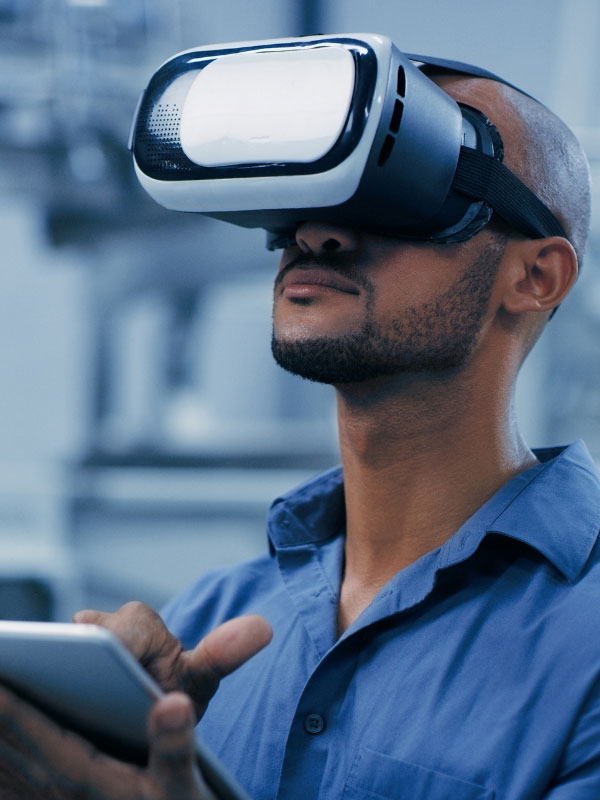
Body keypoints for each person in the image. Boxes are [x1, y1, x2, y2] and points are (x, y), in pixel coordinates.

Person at [0, 65, 597, 800]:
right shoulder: (206, 625)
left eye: (411, 184)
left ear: (537, 276)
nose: (320, 231)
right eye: (314, 189)